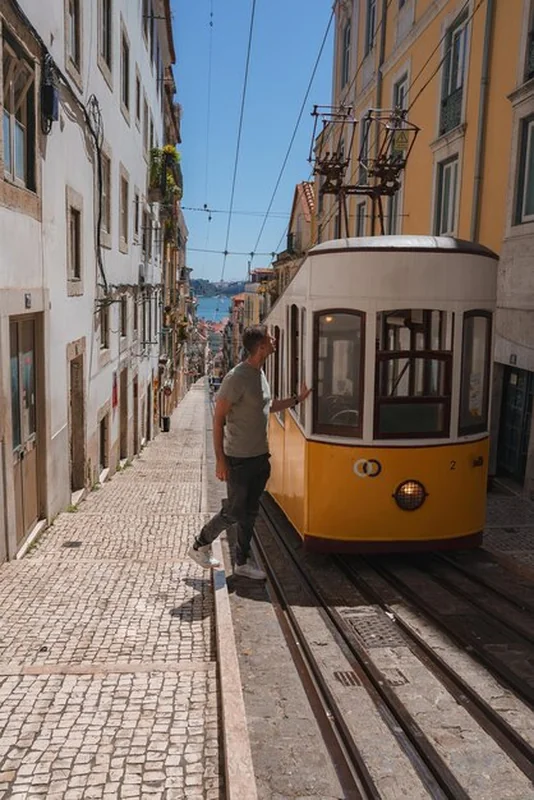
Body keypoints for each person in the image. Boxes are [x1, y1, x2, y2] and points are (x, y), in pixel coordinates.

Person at [189, 324, 311, 579]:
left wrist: (297, 399)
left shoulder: (259, 374)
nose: (275, 339)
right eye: (270, 337)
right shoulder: (237, 378)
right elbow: (218, 419)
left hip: (259, 457)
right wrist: (220, 461)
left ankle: (242, 563)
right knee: (234, 511)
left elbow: (267, 407)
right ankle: (200, 544)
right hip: (239, 459)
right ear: (261, 346)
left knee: (250, 512)